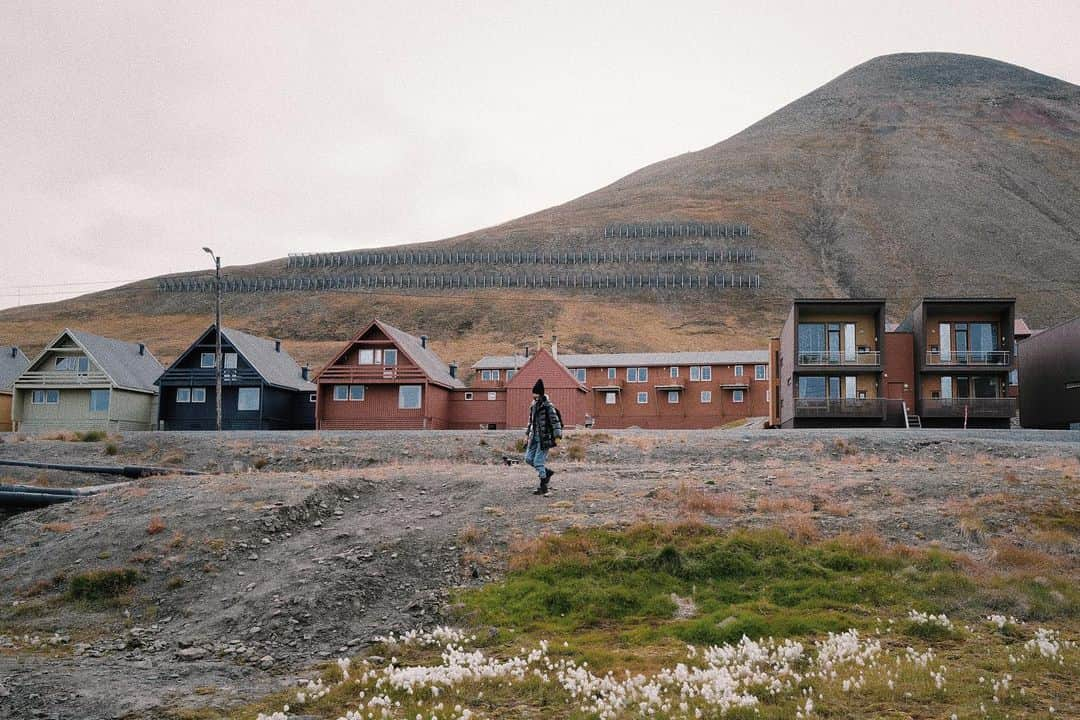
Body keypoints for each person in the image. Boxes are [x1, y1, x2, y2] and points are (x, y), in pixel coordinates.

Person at [524, 378, 561, 496]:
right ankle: (546, 473)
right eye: (533, 396)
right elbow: (530, 422)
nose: (534, 398)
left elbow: (555, 422)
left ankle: (543, 486)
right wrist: (526, 435)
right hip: (534, 437)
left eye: (536, 396)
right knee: (528, 459)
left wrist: (557, 436)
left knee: (538, 462)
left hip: (544, 438)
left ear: (540, 394)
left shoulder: (548, 406)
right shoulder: (533, 406)